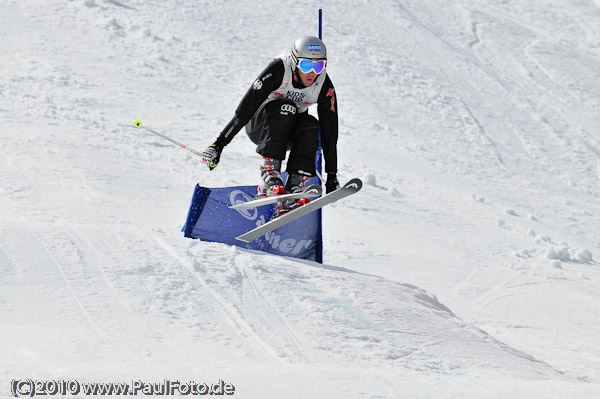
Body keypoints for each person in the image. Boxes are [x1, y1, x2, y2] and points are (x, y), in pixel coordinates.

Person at [201, 36, 340, 214]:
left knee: (312, 124)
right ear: (295, 61)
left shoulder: (324, 85)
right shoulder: (279, 69)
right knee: (286, 107)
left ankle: (294, 187)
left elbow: (330, 132)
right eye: (306, 65)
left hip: (288, 135)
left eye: (318, 66)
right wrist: (219, 144)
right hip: (260, 128)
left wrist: (331, 175)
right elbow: (245, 109)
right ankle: (269, 174)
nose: (312, 73)